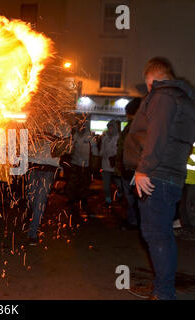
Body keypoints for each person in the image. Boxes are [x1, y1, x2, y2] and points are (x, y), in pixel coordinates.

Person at [124, 57, 195, 300]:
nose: (149, 91)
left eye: (149, 85)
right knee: (160, 233)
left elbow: (158, 133)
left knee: (157, 234)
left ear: (153, 79)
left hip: (157, 175)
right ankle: (162, 289)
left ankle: (164, 293)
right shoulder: (183, 98)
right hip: (170, 175)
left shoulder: (164, 95)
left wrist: (144, 169)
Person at [26, 136, 61, 245]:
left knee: (40, 201)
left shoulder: (62, 124)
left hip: (49, 167)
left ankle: (33, 233)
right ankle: (36, 217)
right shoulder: (36, 123)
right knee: (31, 198)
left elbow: (64, 144)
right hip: (33, 165)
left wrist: (49, 136)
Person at [116, 98, 142, 229]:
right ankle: (133, 220)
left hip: (133, 167)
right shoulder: (132, 125)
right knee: (130, 196)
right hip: (128, 166)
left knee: (134, 197)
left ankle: (135, 221)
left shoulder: (137, 126)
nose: (127, 115)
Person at [65, 120, 93, 217]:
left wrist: (94, 162)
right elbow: (70, 147)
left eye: (82, 125)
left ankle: (84, 199)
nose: (81, 126)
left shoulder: (89, 135)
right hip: (75, 162)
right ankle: (72, 198)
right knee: (73, 181)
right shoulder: (75, 135)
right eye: (79, 125)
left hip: (86, 164)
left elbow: (94, 149)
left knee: (85, 182)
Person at [92, 120, 122, 207]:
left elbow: (118, 151)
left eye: (112, 127)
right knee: (106, 185)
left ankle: (120, 193)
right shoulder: (105, 137)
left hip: (115, 165)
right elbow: (101, 149)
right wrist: (100, 155)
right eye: (109, 127)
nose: (110, 129)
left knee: (118, 184)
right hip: (105, 165)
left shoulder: (118, 137)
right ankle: (108, 200)